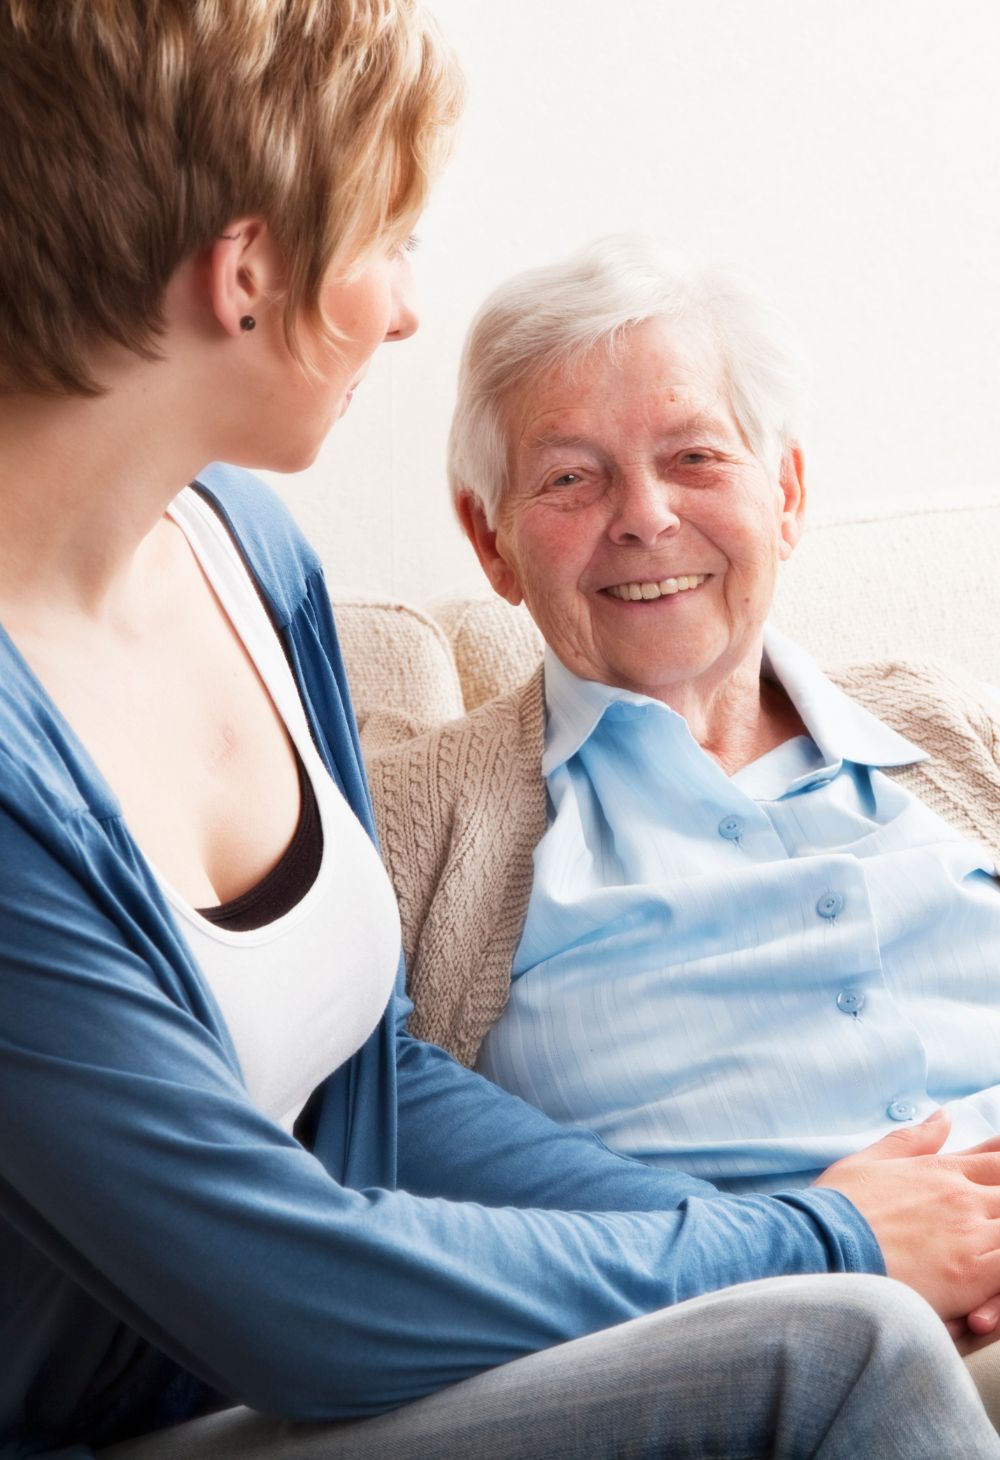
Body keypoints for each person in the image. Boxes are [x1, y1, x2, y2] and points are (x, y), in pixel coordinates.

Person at [0, 7, 998, 1457]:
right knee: (846, 1351)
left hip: (275, 1379)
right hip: (137, 1416)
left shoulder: (248, 557)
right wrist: (822, 1243)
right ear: (249, 274)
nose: (408, 309)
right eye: (390, 240)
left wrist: (811, 1228)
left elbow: (378, 1077)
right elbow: (285, 1291)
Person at [366, 234, 1000, 1374]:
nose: (644, 516)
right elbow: (370, 1160)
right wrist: (808, 1255)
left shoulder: (954, 727)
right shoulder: (410, 809)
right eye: (569, 475)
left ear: (789, 492)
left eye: (695, 456)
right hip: (774, 1349)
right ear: (490, 539)